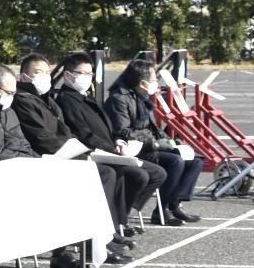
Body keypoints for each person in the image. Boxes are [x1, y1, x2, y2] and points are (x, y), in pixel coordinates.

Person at [10, 54, 134, 265]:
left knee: (108, 172)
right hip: (45, 160)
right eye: (38, 73)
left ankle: (99, 238)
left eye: (48, 72)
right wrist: (74, 152)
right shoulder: (23, 100)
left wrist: (79, 150)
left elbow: (65, 131)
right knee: (101, 174)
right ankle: (85, 245)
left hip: (63, 156)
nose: (45, 77)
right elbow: (41, 137)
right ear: (23, 76)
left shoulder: (46, 98)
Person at [50, 52, 167, 241]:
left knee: (152, 172)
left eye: (90, 73)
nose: (88, 78)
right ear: (68, 75)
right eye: (83, 73)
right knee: (131, 174)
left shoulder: (85, 96)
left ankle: (117, 222)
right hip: (94, 153)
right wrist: (112, 150)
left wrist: (119, 142)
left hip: (112, 149)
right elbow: (83, 133)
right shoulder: (67, 99)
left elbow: (108, 128)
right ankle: (111, 227)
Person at [0, 65, 83, 268]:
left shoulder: (8, 111)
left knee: (66, 190)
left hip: (22, 168)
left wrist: (37, 160)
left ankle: (62, 253)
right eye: (9, 93)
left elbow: (21, 143)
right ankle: (57, 253)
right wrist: (23, 156)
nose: (12, 97)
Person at [105, 62, 204, 225]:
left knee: (196, 160)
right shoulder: (118, 99)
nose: (156, 82)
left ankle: (175, 204)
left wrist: (171, 141)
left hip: (150, 144)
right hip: (136, 148)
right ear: (142, 83)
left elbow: (153, 128)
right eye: (154, 79)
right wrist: (157, 143)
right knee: (175, 162)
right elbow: (123, 131)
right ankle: (161, 211)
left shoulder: (139, 97)